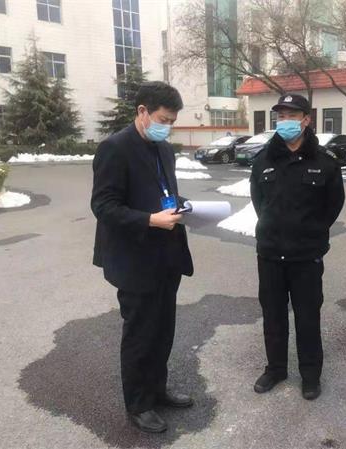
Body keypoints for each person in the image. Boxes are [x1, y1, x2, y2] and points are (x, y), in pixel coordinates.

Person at [91, 81, 194, 433]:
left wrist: (182, 206)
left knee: (163, 329)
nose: (168, 127)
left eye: (173, 122)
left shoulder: (163, 148)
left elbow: (164, 192)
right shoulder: (115, 148)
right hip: (134, 260)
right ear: (142, 112)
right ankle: (138, 404)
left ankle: (157, 390)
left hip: (167, 256)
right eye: (164, 119)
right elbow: (103, 206)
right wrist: (149, 220)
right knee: (140, 334)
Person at [250, 93, 345, 400]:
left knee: (307, 318)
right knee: (273, 316)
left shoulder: (324, 162)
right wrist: (273, 227)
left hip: (306, 256)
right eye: (281, 116)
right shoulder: (263, 160)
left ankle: (310, 375)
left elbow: (334, 204)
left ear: (306, 120)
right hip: (270, 254)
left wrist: (312, 231)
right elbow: (258, 202)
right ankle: (276, 369)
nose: (285, 121)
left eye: (292, 116)